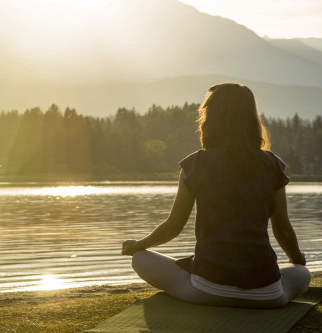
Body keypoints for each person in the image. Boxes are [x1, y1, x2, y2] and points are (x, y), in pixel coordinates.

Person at [121, 82, 310, 309]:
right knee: (301, 272)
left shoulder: (196, 164)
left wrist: (137, 245)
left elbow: (173, 227)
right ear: (251, 117)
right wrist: (297, 259)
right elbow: (283, 229)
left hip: (206, 290)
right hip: (267, 296)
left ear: (210, 117)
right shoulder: (272, 164)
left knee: (140, 258)